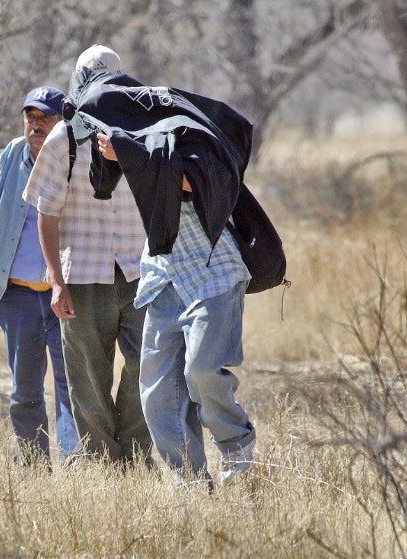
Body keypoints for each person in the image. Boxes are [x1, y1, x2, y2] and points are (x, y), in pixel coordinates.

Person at [65, 47, 256, 486]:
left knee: (202, 372)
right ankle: (188, 480)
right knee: (156, 393)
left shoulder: (185, 129)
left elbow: (190, 182)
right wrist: (113, 152)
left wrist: (126, 152)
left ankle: (237, 448)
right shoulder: (129, 134)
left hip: (213, 270)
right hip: (163, 275)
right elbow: (104, 183)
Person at [23, 47, 154, 468]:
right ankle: (101, 463)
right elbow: (46, 212)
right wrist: (56, 281)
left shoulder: (145, 133)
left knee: (146, 367)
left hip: (140, 274)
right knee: (87, 378)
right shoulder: (64, 138)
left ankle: (133, 458)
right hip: (82, 277)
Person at [0, 86, 78, 465]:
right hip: (17, 298)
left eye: (46, 117)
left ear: (64, 123)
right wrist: (1, 258)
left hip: (67, 297)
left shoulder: (77, 161)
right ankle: (32, 462)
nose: (37, 124)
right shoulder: (3, 161)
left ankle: (76, 465)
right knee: (24, 389)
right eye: (31, 117)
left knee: (70, 388)